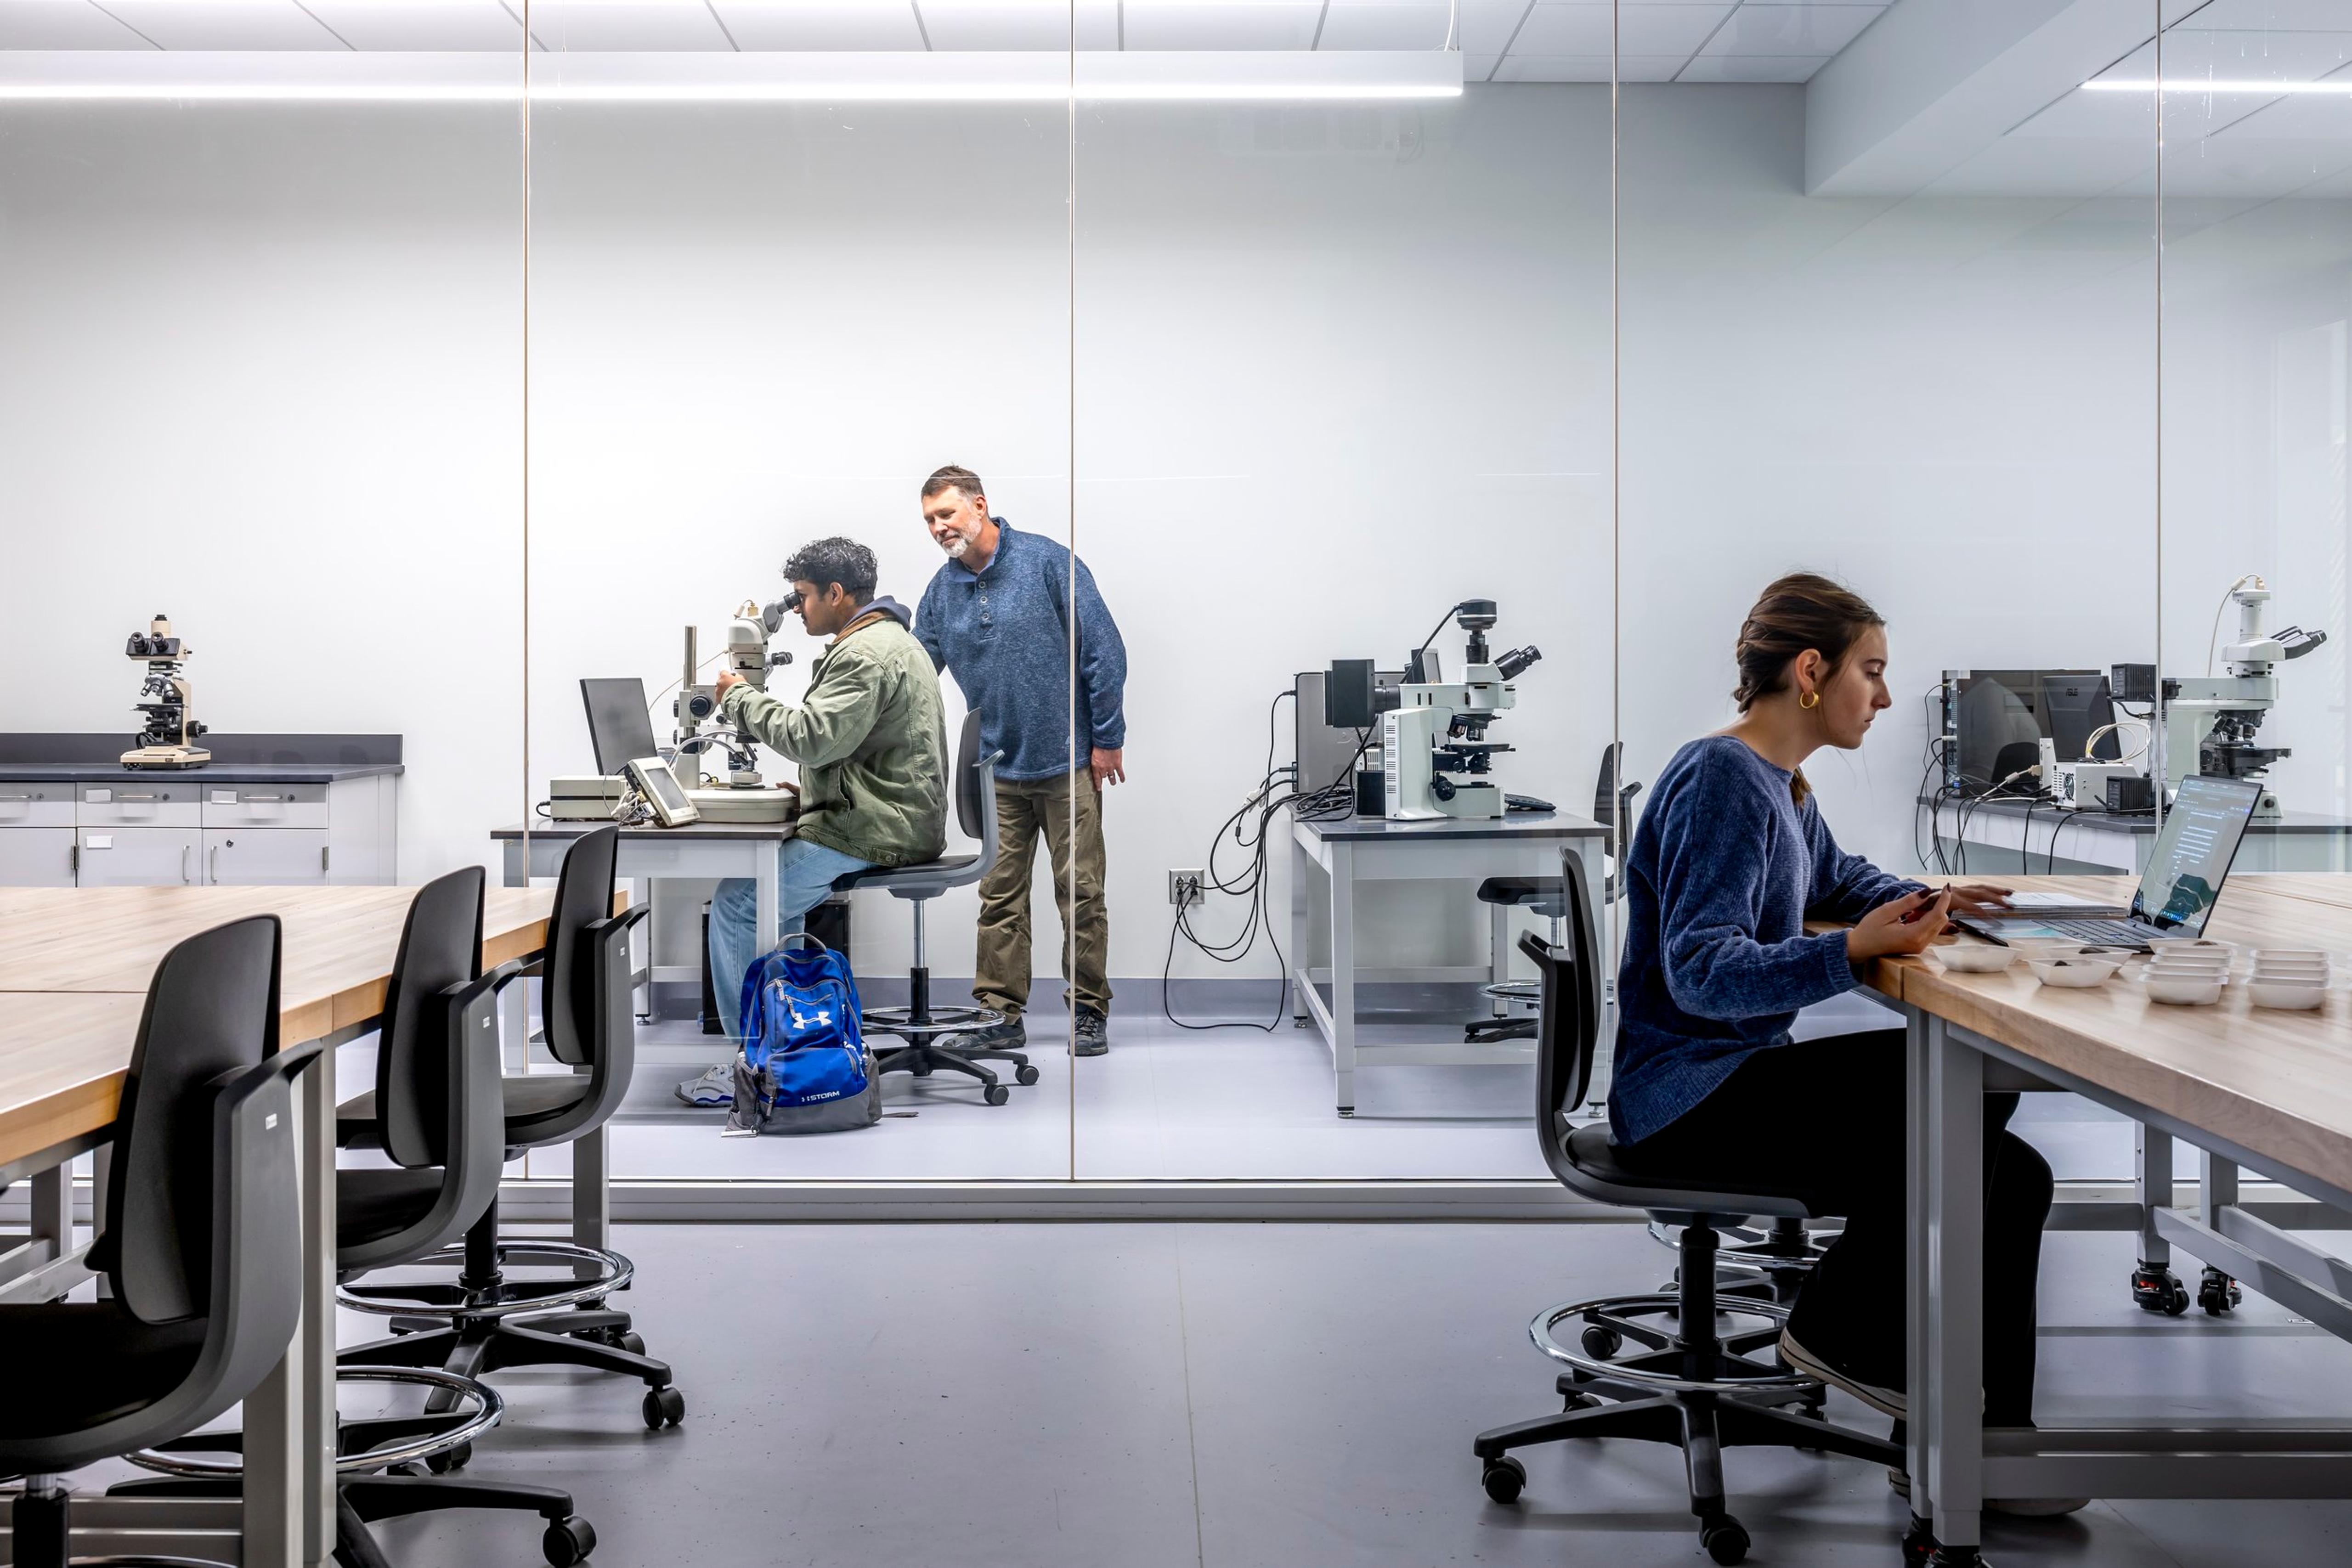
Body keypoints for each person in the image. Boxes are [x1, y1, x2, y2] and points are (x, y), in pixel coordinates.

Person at [1606, 572, 2075, 1514]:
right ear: (1811, 671)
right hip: (1687, 1099)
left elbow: (1834, 876)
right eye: (1872, 671)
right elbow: (1703, 972)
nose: (1886, 696)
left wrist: (1924, 899)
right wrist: (1851, 955)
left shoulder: (1779, 784)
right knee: (1969, 1079)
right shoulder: (1722, 781)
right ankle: (1842, 1329)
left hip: (1731, 1081)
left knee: (2015, 1176)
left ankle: (1977, 1449)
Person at [675, 536, 947, 1106]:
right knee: (774, 903)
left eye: (802, 597)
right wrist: (815, 793)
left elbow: (813, 738)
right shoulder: (889, 641)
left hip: (878, 830)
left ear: (836, 593)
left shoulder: (863, 654)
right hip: (888, 816)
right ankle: (790, 1045)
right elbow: (864, 751)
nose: (797, 609)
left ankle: (747, 1065)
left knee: (738, 901)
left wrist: (740, 698)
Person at [913, 466, 1128, 1058]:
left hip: (1067, 765)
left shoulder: (1047, 563)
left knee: (1081, 892)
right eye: (929, 519)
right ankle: (998, 1014)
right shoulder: (940, 591)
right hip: (994, 772)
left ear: (979, 506)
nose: (938, 528)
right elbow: (913, 672)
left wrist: (1106, 737)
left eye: (947, 515)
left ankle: (1088, 1012)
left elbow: (1103, 649)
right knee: (998, 899)